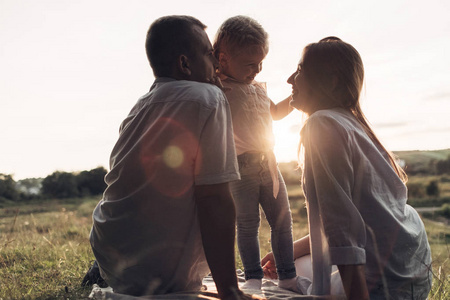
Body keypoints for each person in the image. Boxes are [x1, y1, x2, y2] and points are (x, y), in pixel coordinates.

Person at [89, 15, 252, 300]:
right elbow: (214, 198)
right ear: (184, 64)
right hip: (159, 269)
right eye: (209, 55)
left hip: (112, 257)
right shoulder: (209, 97)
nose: (217, 65)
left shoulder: (140, 105)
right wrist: (230, 291)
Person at [261, 37, 432, 299]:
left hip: (382, 283)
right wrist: (288, 251)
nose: (289, 80)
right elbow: (360, 216)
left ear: (331, 81)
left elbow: (342, 224)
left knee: (274, 284)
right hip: (411, 270)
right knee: (292, 267)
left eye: (300, 70)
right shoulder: (352, 122)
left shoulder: (323, 124)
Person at [213, 16, 300, 292]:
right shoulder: (218, 88)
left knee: (282, 221)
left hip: (269, 165)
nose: (257, 69)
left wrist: (297, 99)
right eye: (250, 64)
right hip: (240, 169)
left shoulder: (258, 90)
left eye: (261, 62)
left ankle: (288, 276)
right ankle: (252, 278)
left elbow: (275, 114)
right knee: (248, 225)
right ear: (224, 59)